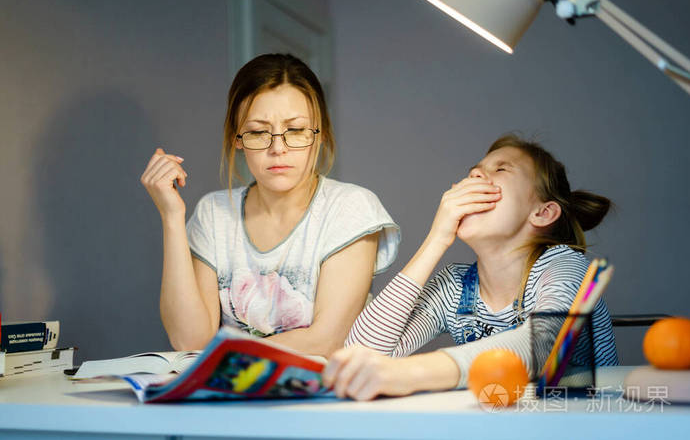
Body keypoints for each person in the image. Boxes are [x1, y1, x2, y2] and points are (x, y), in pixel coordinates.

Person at [322, 135, 618, 400]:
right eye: (474, 171)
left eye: (501, 169)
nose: (476, 174)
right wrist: (436, 240)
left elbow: (547, 342)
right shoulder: (454, 286)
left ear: (542, 212)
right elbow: (363, 350)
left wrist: (412, 373)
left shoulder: (566, 265)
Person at [140, 54, 400, 357]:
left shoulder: (352, 209)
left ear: (320, 135)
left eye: (296, 130)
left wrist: (219, 360)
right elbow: (189, 341)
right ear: (237, 138)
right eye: (258, 132)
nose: (278, 148)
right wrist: (171, 217)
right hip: (233, 397)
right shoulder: (213, 214)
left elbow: (326, 341)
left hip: (321, 398)